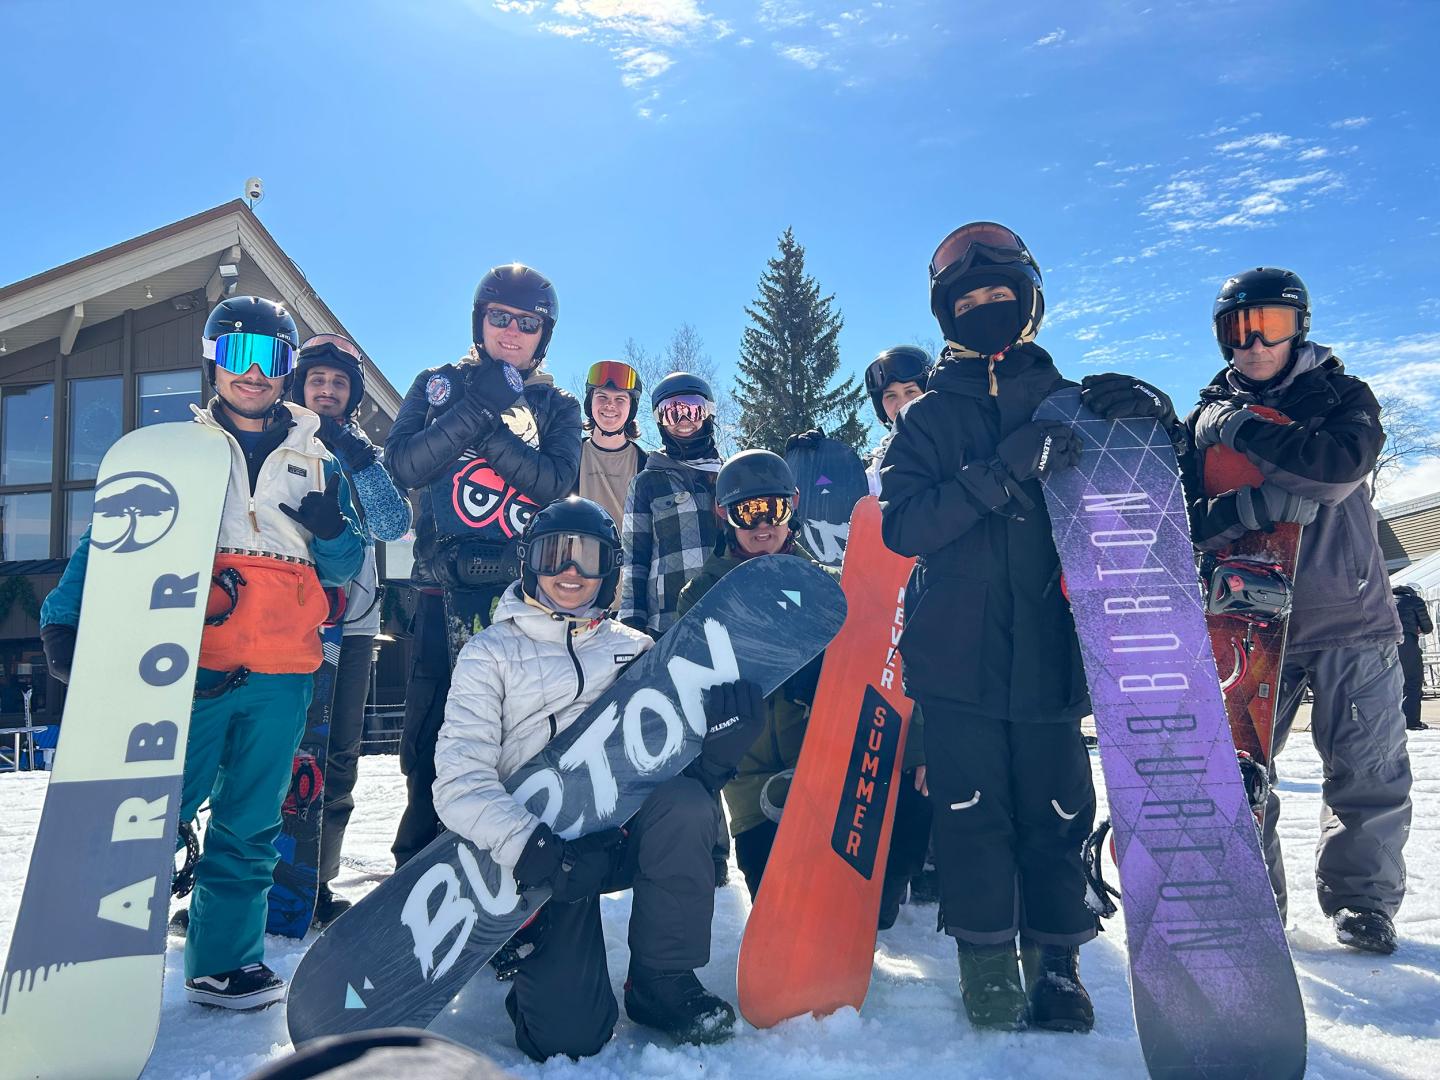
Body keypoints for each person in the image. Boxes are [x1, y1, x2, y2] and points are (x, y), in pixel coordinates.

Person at [879, 221, 1174, 1033]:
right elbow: (903, 526)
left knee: (1055, 813)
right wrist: (1001, 470)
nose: (984, 309)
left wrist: (1156, 427)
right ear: (946, 316)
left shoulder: (1074, 404)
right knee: (972, 815)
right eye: (967, 301)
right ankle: (985, 962)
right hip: (956, 656)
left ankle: (1059, 965)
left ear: (1030, 302)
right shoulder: (928, 420)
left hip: (1051, 649)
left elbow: (1146, 510)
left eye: (998, 296)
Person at [41, 296, 364, 1009]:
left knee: (250, 822)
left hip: (283, 668)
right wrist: (65, 617)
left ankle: (223, 960)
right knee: (149, 810)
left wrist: (335, 531)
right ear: (213, 360)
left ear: (287, 368)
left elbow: (342, 571)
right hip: (189, 663)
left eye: (270, 358)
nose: (254, 375)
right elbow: (114, 536)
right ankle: (92, 952)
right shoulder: (172, 450)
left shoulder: (318, 460)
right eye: (238, 356)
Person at [432, 498, 754, 1059]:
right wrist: (534, 850)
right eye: (554, 555)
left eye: (588, 557)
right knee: (569, 1038)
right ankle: (526, 949)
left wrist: (717, 759)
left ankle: (661, 981)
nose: (571, 573)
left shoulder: (637, 650)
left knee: (685, 803)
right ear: (529, 563)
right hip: (538, 852)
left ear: (611, 568)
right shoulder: (491, 653)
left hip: (618, 835)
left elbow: (667, 762)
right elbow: (459, 783)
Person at [1182, 266, 1413, 954]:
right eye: (1235, 331)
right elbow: (1184, 520)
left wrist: (1242, 428)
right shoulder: (1200, 419)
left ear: (1299, 327)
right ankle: (1256, 900)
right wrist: (1245, 508)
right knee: (1242, 773)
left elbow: (1334, 470)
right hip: (1247, 620)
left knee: (1367, 771)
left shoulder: (1341, 397)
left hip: (1350, 616)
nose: (1251, 345)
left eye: (1269, 327)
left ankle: (1363, 903)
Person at [385, 264, 581, 868]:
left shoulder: (555, 403)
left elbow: (555, 483)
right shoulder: (438, 383)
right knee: (434, 733)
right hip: (440, 590)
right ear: (480, 321)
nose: (513, 331)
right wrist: (474, 406)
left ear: (543, 334)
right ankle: (416, 864)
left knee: (517, 733)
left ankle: (511, 863)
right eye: (500, 317)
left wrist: (490, 424)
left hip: (522, 600)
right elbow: (405, 466)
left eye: (528, 323)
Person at [292, 333, 413, 924]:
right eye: (317, 380)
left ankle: (315, 880)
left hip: (352, 623)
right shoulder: (276, 440)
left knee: (337, 758)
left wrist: (359, 459)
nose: (327, 391)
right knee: (270, 754)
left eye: (339, 384)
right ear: (300, 385)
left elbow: (392, 523)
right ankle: (250, 881)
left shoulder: (363, 454)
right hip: (280, 618)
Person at [674, 449, 825, 897]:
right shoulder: (701, 595)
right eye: (747, 511)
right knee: (769, 877)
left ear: (793, 505)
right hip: (750, 780)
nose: (762, 525)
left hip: (821, 764)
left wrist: (823, 674)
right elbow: (688, 684)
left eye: (773, 509)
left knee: (835, 882)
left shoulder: (822, 585)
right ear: (724, 514)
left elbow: (873, 665)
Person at [861, 345, 937, 927]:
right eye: (891, 397)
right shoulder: (876, 467)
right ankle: (890, 861)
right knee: (897, 732)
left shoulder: (958, 447)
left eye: (912, 393)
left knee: (943, 734)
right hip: (893, 616)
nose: (902, 405)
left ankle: (937, 856)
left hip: (952, 607)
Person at [618, 373, 722, 637]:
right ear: (660, 422)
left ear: (708, 412)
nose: (683, 420)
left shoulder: (729, 476)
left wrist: (797, 459)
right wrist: (632, 625)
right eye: (672, 413)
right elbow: (634, 561)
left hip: (727, 613)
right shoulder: (648, 482)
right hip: (667, 622)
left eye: (693, 409)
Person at [574, 359, 648, 526]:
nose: (610, 405)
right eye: (602, 396)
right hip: (573, 552)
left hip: (626, 552)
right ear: (589, 402)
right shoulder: (570, 456)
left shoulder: (646, 465)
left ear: (631, 409)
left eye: (620, 399)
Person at [1393, 584, 1432, 731]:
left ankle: (1392, 722)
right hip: (1406, 644)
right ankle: (1411, 722)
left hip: (1383, 646)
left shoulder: (1384, 600)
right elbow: (1428, 627)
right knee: (1412, 682)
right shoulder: (1414, 600)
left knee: (1388, 685)